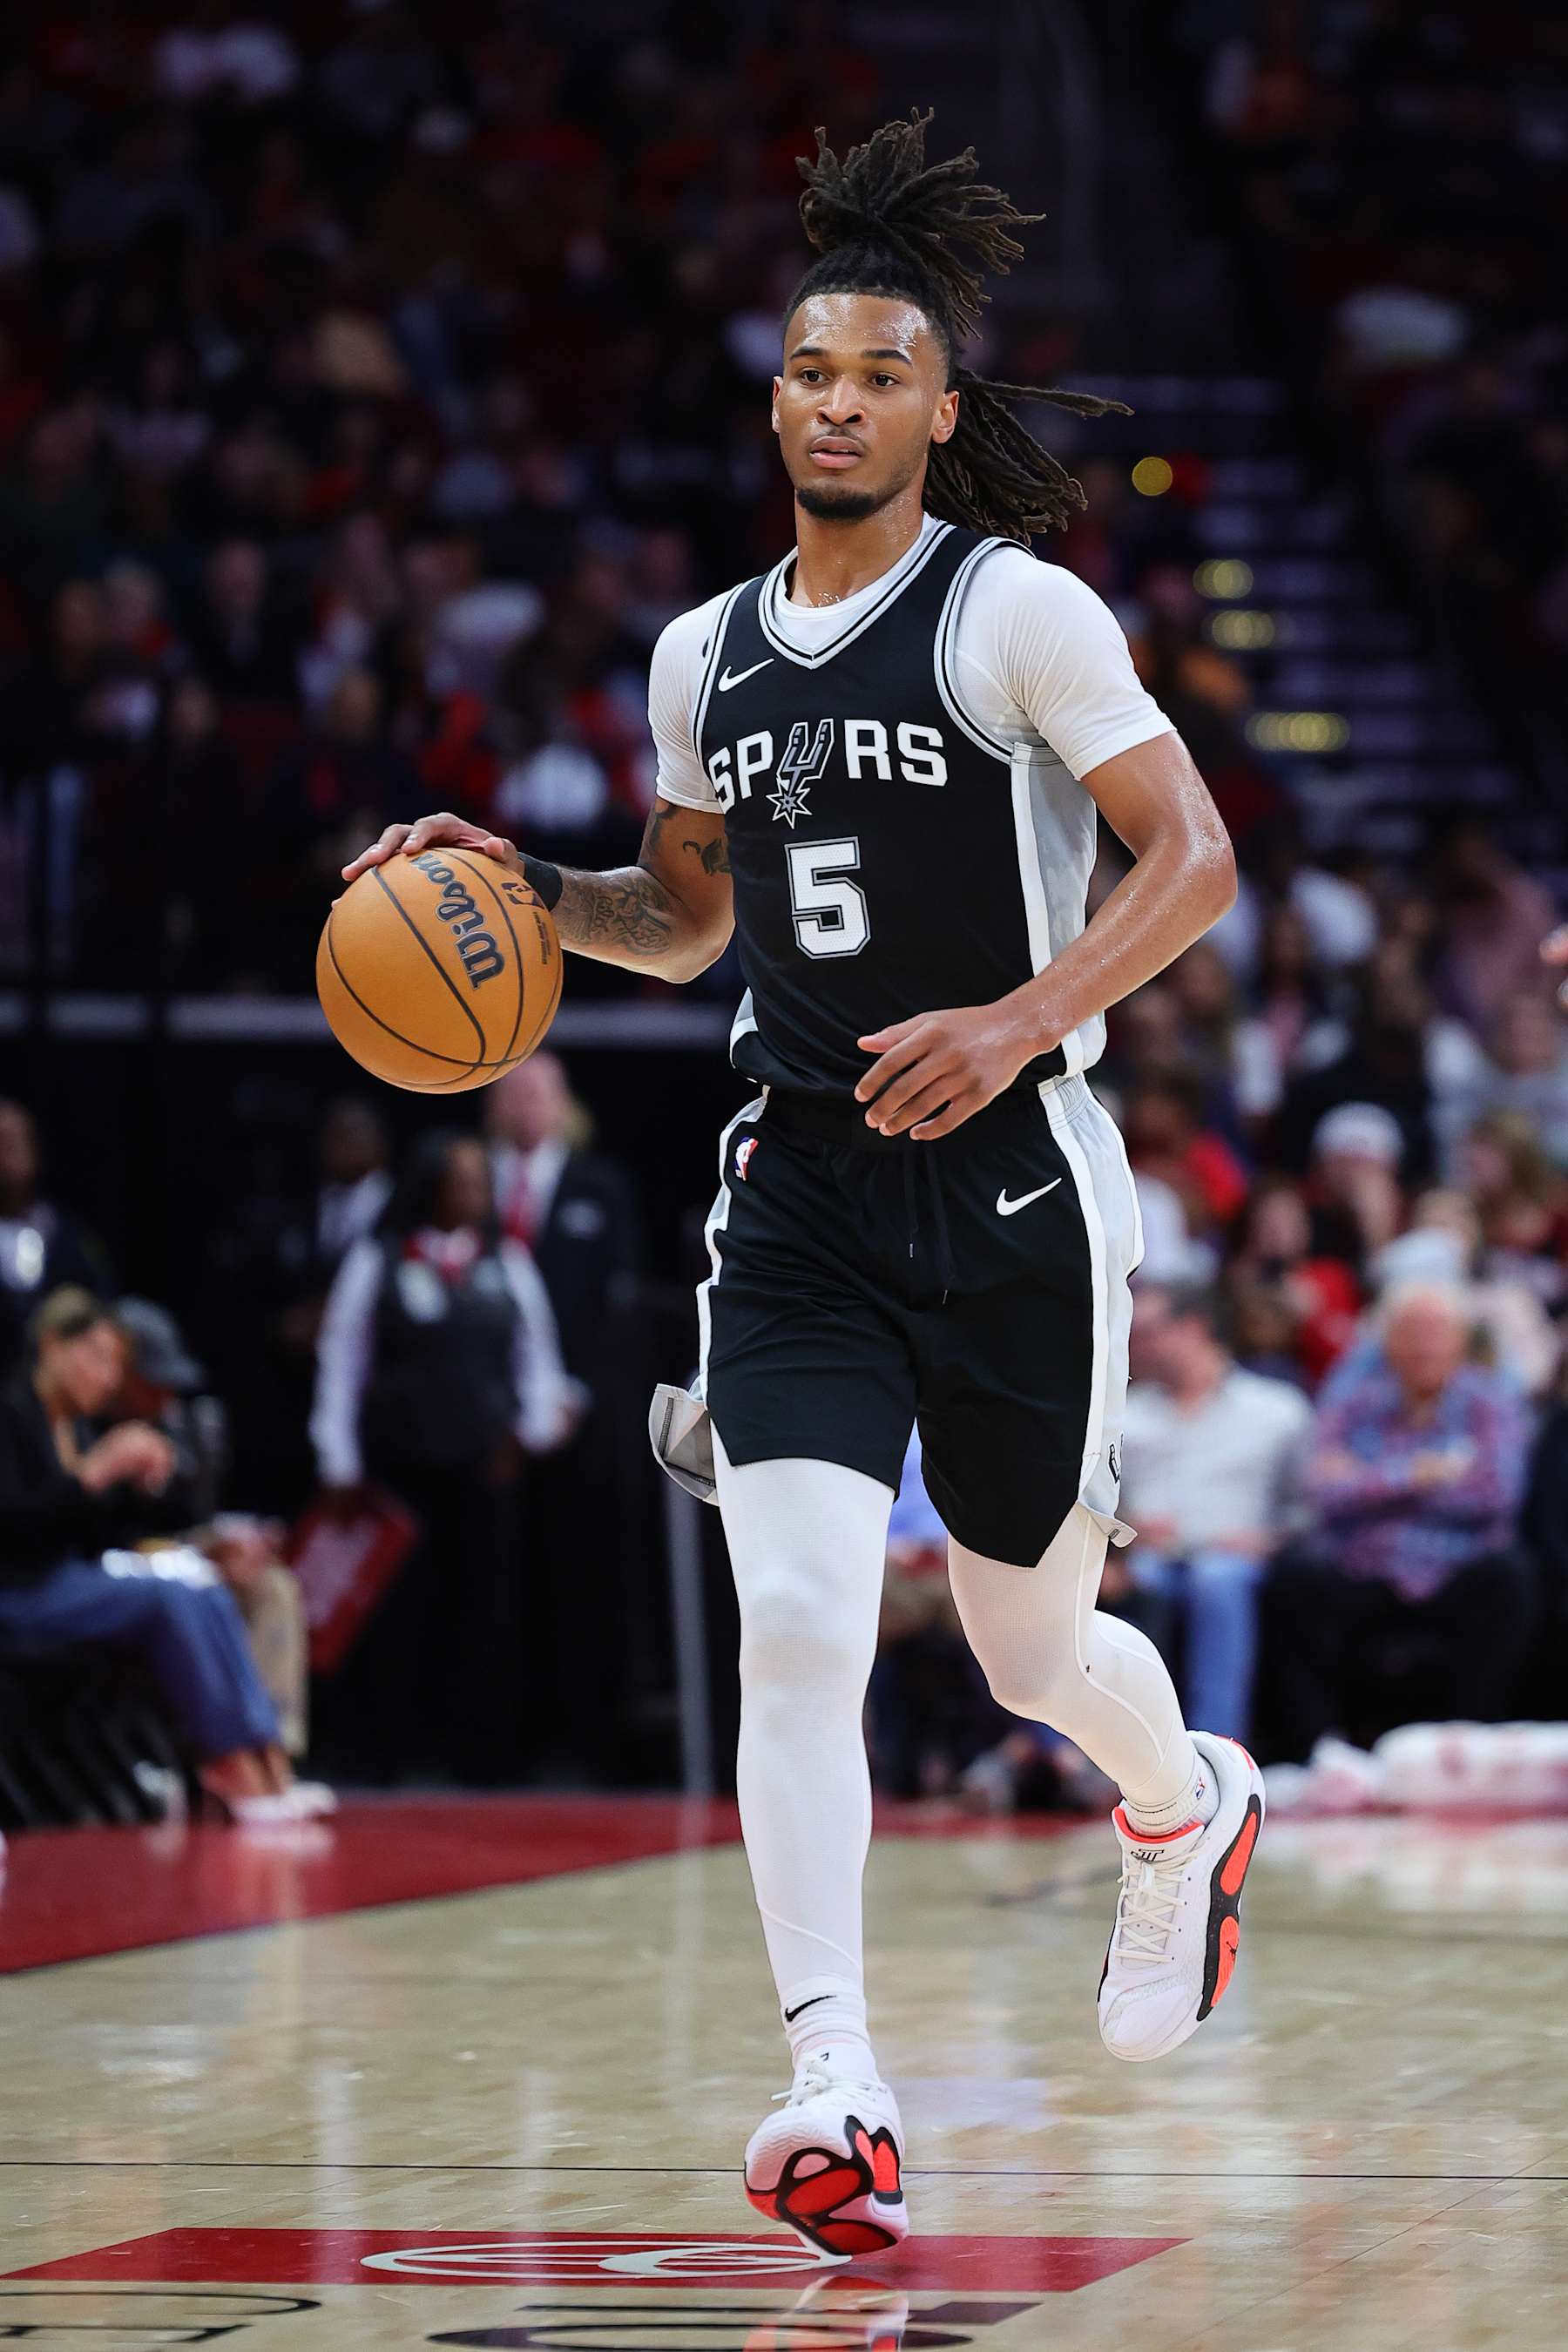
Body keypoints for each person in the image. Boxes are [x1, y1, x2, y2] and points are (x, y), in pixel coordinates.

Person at [346, 114, 1261, 2260]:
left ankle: (1184, 1800)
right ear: (776, 399)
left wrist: (1021, 1018)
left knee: (1036, 1649)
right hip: (808, 1189)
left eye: (878, 373)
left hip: (1021, 1175)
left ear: (940, 409)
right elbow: (678, 922)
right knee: (796, 1614)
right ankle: (832, 2071)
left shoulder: (1011, 609)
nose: (837, 400)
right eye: (808, 370)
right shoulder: (703, 658)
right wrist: (493, 883)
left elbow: (1198, 857)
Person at [309, 1130, 577, 1784]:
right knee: (401, 1613)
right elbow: (342, 1360)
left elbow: (537, 1357)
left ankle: (484, 1760)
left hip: (485, 1466)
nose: (472, 1193)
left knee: (487, 1613)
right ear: (427, 1185)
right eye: (458, 1180)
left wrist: (530, 1432)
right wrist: (338, 1459)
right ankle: (389, 1757)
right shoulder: (379, 1259)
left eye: (479, 1182)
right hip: (400, 1466)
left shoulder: (506, 1260)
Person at [0, 1288, 300, 1815]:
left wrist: (133, 1488)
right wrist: (98, 1473)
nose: (108, 1377)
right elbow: (16, 1530)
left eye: (115, 1363)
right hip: (20, 1592)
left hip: (69, 1582)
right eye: (95, 1357)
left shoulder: (79, 1428)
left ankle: (269, 1762)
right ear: (52, 1346)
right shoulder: (10, 1412)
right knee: (168, 1600)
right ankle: (230, 1768)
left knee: (201, 1589)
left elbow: (95, 1541)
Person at [1263, 1283, 1533, 1761]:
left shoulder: (1489, 1404)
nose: (1424, 1344)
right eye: (1411, 1331)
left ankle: (1469, 1744)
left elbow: (1495, 1495)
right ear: (1387, 1341)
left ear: (1461, 1342)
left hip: (1457, 1568)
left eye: (1437, 1331)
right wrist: (1419, 1474)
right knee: (1295, 1577)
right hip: (1365, 1568)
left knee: (1511, 1577)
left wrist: (1368, 1480)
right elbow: (1322, 1490)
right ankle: (1322, 1754)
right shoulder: (1352, 1401)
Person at [1121, 1285, 1312, 1741]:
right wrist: (1125, 1535)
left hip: (1239, 1556)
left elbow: (1309, 1507)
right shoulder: (1123, 1417)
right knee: (1141, 1581)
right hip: (1149, 1555)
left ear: (1194, 1328)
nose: (1136, 1346)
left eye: (1149, 1332)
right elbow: (1097, 1504)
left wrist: (1270, 1541)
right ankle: (1137, 1755)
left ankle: (1216, 1751)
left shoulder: (1276, 1409)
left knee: (1217, 1580)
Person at [0, 1100, 113, 1380]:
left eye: (12, 1142)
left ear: (34, 1151)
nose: (5, 1155)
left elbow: (100, 1308)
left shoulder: (66, 1237)